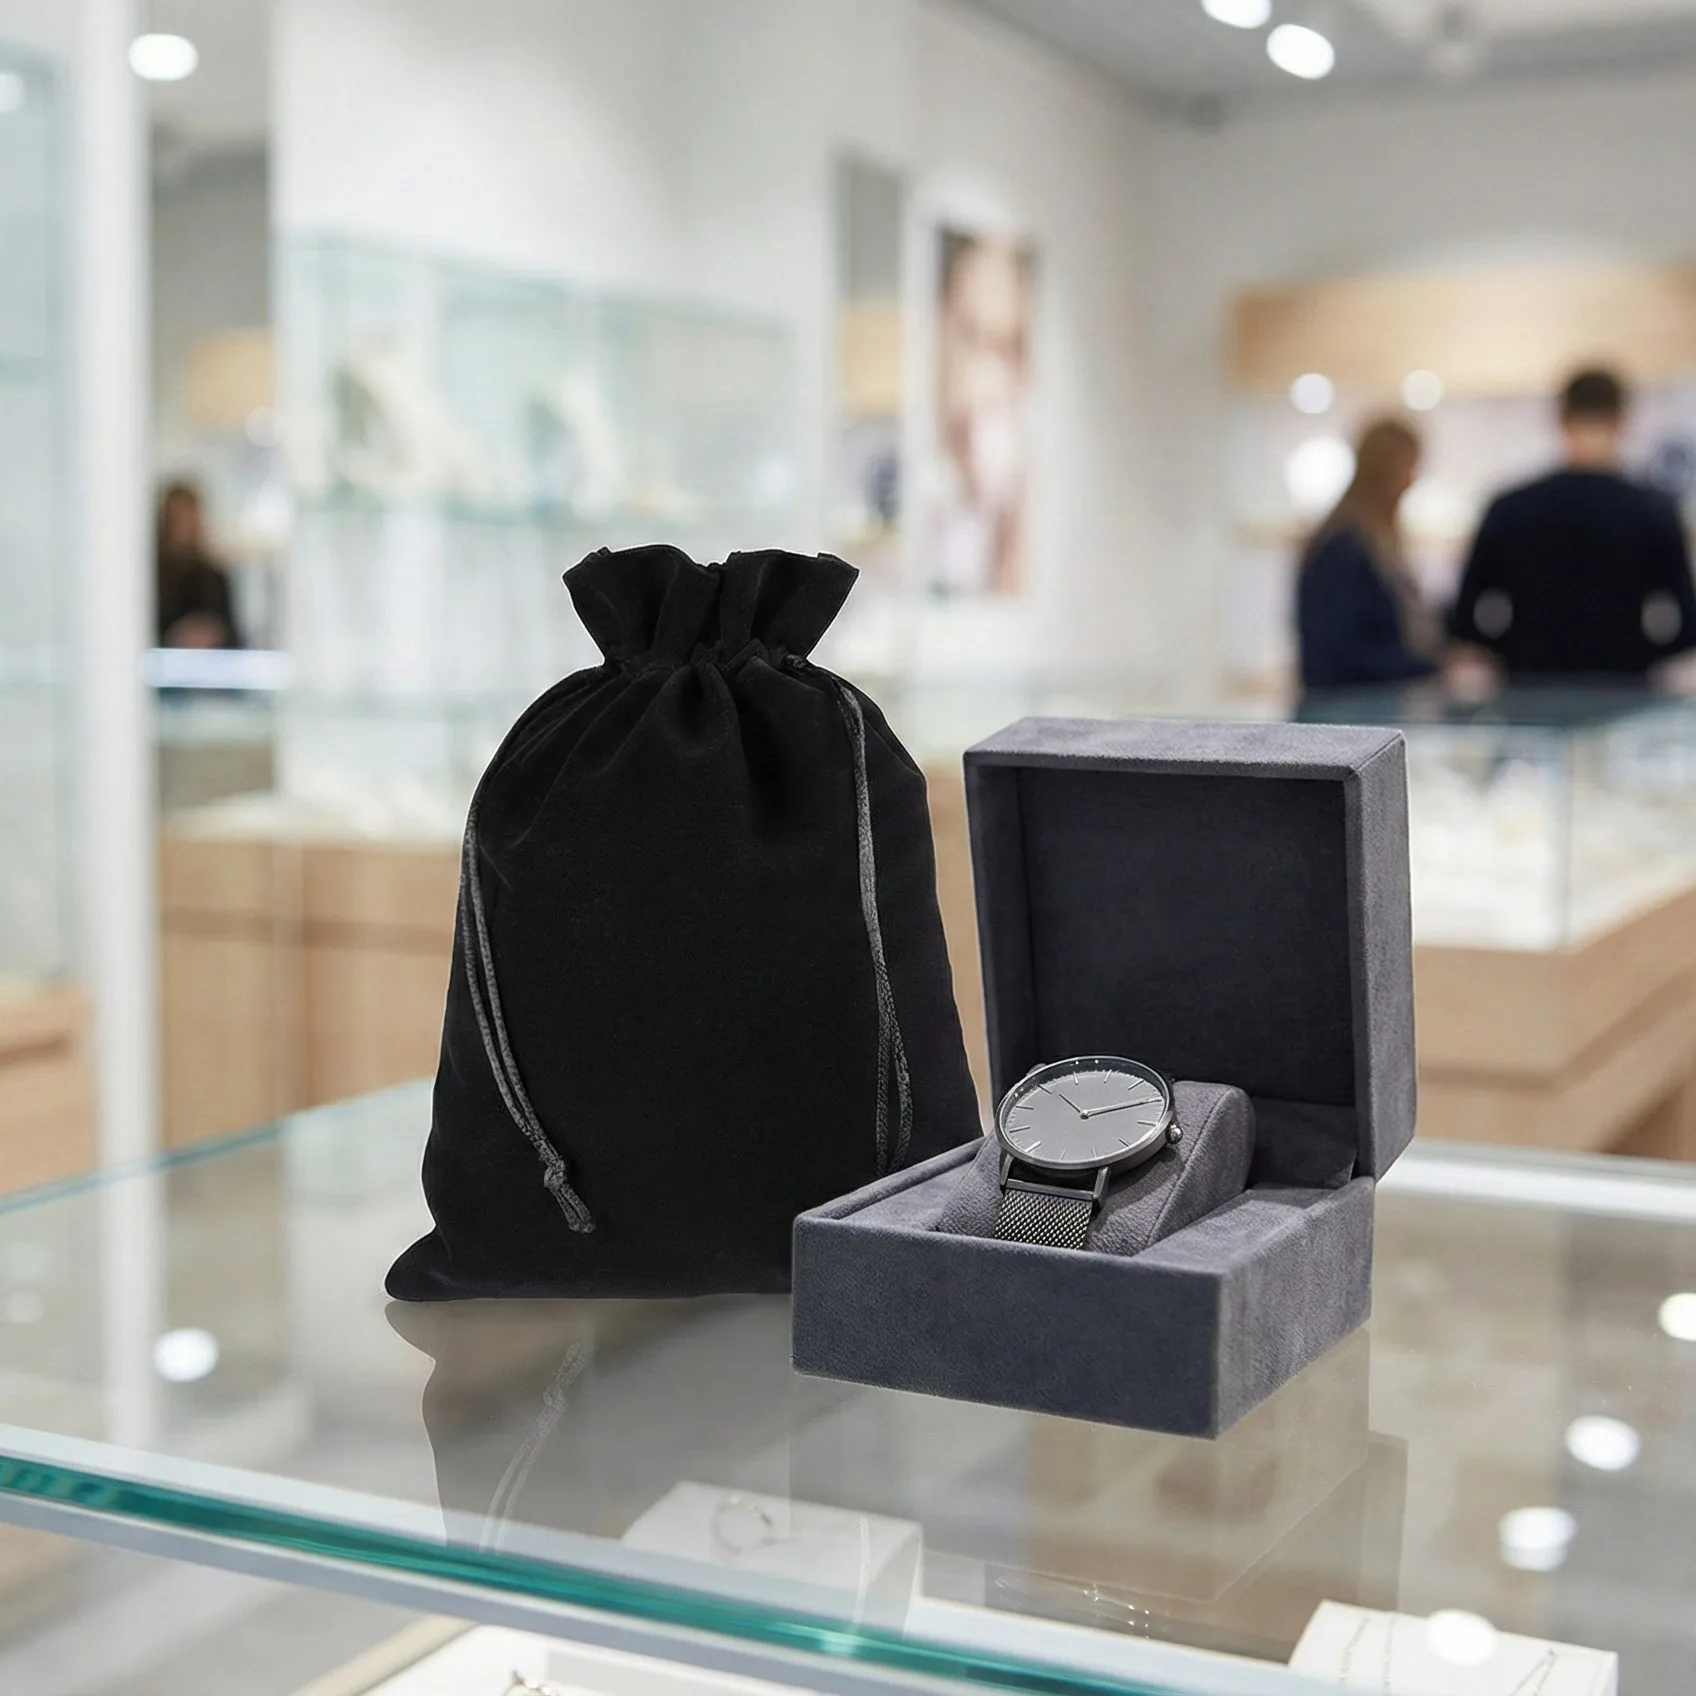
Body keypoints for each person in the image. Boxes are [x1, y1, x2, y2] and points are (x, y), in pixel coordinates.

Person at [1447, 368, 1696, 679]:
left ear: (1561, 418)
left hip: (1529, 682)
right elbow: (1686, 621)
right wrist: (1642, 651)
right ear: (1621, 419)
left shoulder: (1511, 507)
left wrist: (1510, 647)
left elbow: (1465, 617)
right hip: (1621, 683)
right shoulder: (1652, 510)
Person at [1296, 417, 1441, 690]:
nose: (1411, 481)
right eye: (1409, 469)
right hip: (1349, 705)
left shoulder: (1368, 541)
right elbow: (1341, 654)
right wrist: (1431, 666)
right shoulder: (1345, 547)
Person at [156, 479, 243, 649]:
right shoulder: (152, 578)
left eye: (192, 517)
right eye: (181, 518)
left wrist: (212, 633)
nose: (188, 526)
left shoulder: (214, 578)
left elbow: (234, 636)